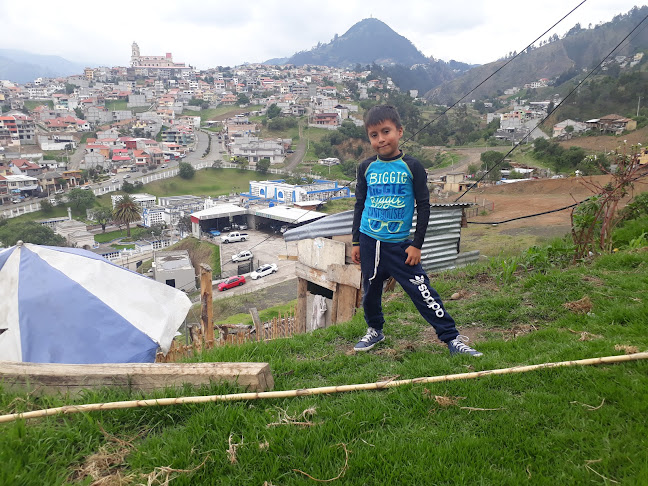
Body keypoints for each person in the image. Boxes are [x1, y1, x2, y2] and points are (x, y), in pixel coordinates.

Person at [351, 104, 482, 356]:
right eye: (374, 135)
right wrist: (356, 242)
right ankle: (375, 330)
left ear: (400, 131)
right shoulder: (365, 168)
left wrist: (417, 244)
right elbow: (360, 204)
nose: (380, 139)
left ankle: (452, 338)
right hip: (369, 242)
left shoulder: (412, 167)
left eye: (386, 131)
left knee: (422, 291)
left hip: (400, 246)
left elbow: (424, 206)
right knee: (370, 292)